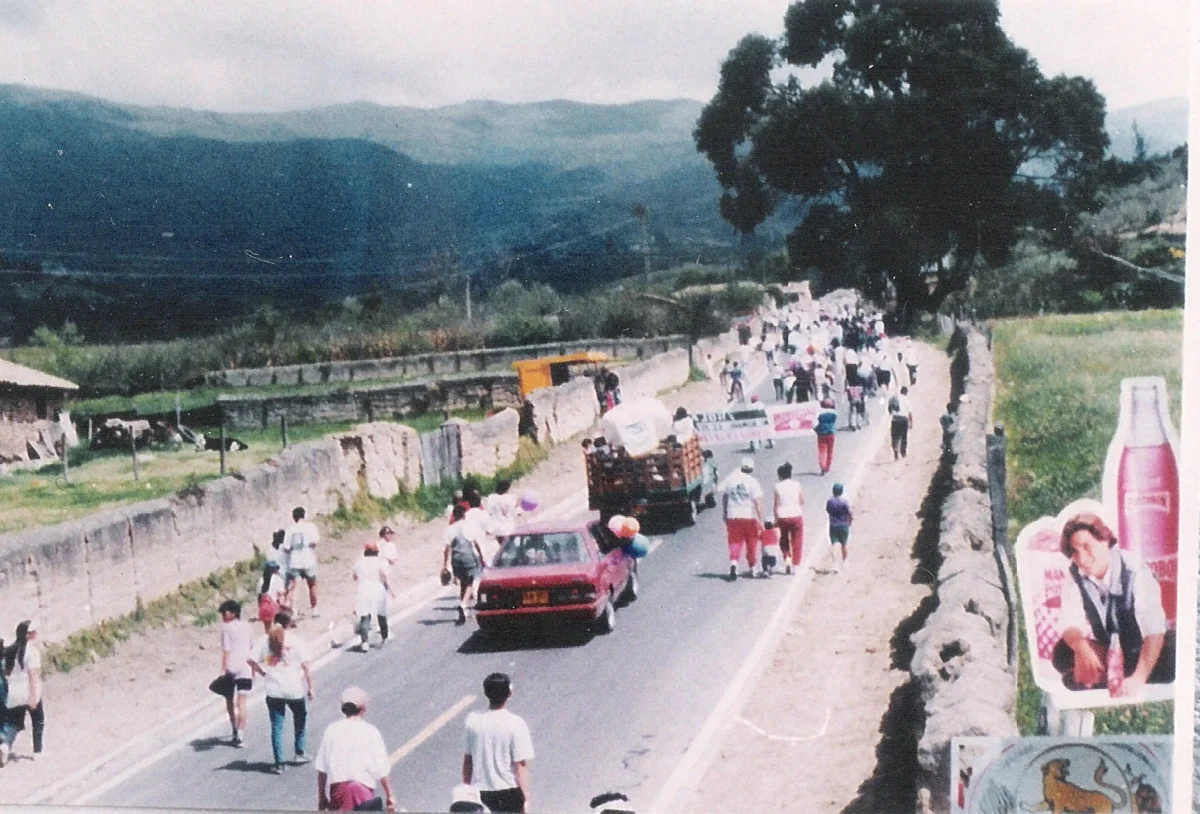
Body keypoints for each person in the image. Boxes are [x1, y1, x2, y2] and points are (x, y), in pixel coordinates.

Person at [1051, 513, 1174, 696]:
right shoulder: (1076, 576)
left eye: (1087, 546)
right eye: (1075, 551)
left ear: (1105, 540)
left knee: (1173, 649)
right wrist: (1081, 647)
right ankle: (1104, 675)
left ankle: (1123, 678)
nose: (1082, 558)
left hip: (1142, 649)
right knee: (1062, 653)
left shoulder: (1134, 569)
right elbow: (1070, 621)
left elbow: (1154, 631)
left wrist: (1138, 678)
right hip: (1110, 648)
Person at [463, 672, 534, 814]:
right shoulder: (516, 723)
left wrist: (466, 789)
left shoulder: (473, 721)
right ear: (509, 693)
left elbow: (468, 761)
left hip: (481, 793)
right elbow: (519, 765)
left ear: (486, 693)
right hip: (509, 793)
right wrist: (525, 797)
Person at [248, 620, 313, 773]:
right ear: (288, 625)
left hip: (273, 690)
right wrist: (310, 687)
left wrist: (263, 673)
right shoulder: (296, 640)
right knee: (300, 718)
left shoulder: (264, 641)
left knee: (276, 726)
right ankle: (299, 752)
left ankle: (279, 762)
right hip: (293, 689)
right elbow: (305, 666)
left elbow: (250, 660)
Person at [316, 686, 396, 811]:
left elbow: (322, 769)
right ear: (363, 708)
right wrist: (389, 795)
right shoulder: (370, 731)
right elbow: (381, 769)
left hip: (338, 793)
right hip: (362, 794)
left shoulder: (332, 730)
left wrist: (322, 797)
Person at [4, 620, 44, 760]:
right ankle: (37, 752)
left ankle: (5, 745)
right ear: (28, 635)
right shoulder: (32, 652)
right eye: (33, 632)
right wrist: (34, 696)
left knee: (15, 723)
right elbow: (33, 675)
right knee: (38, 720)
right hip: (28, 690)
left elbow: (7, 672)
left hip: (15, 692)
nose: (35, 633)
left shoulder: (11, 650)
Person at [719, 457, 765, 580]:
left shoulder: (731, 480)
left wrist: (725, 512)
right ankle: (752, 567)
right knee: (751, 543)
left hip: (733, 516)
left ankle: (734, 563)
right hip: (748, 516)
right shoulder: (753, 482)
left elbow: (725, 497)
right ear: (751, 469)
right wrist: (761, 519)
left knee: (734, 542)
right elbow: (758, 502)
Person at [218, 599, 255, 747]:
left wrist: (223, 668)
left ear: (233, 613)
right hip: (246, 666)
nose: (222, 615)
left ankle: (234, 728)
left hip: (232, 667)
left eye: (224, 613)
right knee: (242, 702)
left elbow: (226, 650)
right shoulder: (247, 626)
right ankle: (241, 731)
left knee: (229, 700)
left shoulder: (226, 628)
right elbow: (252, 646)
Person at [443, 505, 487, 625]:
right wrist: (481, 557)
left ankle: (464, 609)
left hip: (456, 559)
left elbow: (446, 549)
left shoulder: (450, 530)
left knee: (463, 582)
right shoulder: (468, 527)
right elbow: (476, 543)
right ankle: (463, 604)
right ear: (464, 515)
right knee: (470, 583)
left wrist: (445, 565)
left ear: (454, 516)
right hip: (468, 558)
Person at [353, 540, 395, 651]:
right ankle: (385, 636)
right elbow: (385, 576)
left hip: (363, 590)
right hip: (378, 590)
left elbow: (355, 577)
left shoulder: (359, 562)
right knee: (381, 615)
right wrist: (391, 590)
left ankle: (364, 642)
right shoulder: (381, 562)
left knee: (365, 616)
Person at [283, 506, 321, 618]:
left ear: (294, 517)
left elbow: (286, 547)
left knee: (295, 587)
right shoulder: (311, 527)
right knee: (312, 585)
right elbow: (315, 542)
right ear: (304, 515)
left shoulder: (290, 529)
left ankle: (294, 611)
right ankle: (314, 609)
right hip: (308, 559)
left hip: (295, 561)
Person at [772, 463, 805, 575]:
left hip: (783, 516)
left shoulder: (777, 487)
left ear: (780, 475)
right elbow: (802, 501)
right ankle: (796, 565)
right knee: (797, 540)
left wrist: (776, 519)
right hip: (796, 515)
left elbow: (776, 505)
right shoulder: (797, 485)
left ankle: (787, 558)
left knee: (784, 539)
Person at [825, 483, 853, 574]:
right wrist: (850, 521)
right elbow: (849, 513)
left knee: (833, 544)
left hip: (833, 525)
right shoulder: (844, 502)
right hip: (843, 525)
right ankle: (844, 561)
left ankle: (835, 565)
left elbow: (828, 510)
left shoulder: (830, 501)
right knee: (844, 544)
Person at [814, 398, 838, 475]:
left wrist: (816, 430)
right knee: (830, 451)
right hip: (830, 434)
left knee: (822, 451)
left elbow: (814, 424)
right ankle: (827, 467)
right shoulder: (834, 413)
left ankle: (822, 467)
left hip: (821, 434)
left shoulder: (819, 413)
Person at [888, 386, 913, 460]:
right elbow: (909, 413)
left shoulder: (895, 398)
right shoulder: (907, 400)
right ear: (906, 392)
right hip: (904, 420)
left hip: (895, 419)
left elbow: (890, 409)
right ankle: (903, 452)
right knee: (904, 437)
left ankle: (895, 450)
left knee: (895, 436)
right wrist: (911, 422)